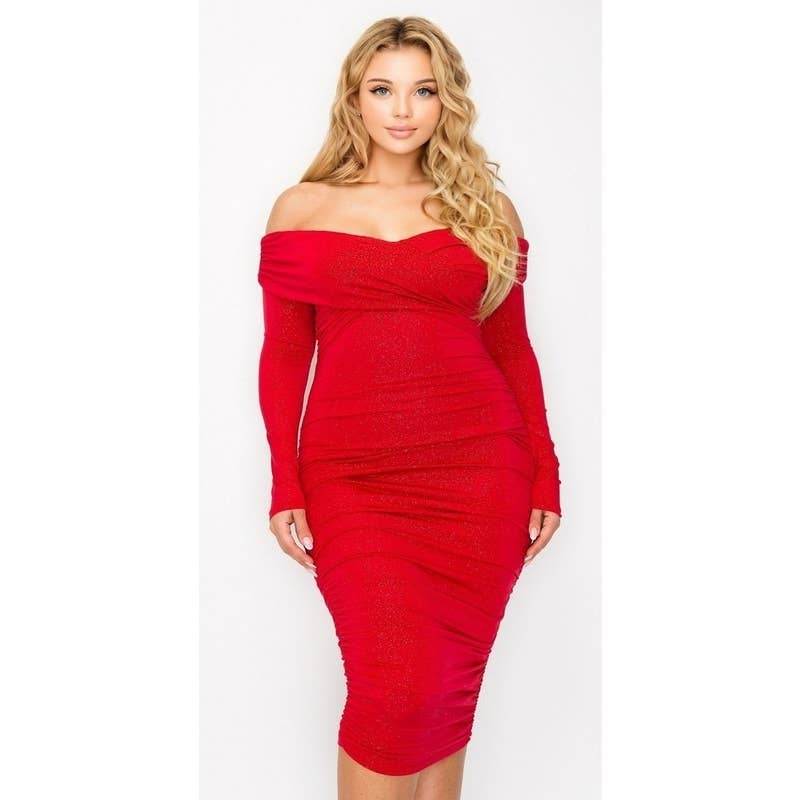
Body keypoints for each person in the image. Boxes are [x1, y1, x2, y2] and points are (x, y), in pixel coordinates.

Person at [257, 16, 562, 800]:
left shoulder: (485, 208)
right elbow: (285, 354)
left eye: (423, 91)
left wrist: (545, 474)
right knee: (392, 692)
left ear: (445, 100)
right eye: (382, 89)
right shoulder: (302, 207)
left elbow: (512, 350)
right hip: (353, 478)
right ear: (353, 99)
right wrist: (285, 481)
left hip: (479, 473)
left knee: (442, 694)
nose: (402, 109)